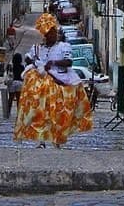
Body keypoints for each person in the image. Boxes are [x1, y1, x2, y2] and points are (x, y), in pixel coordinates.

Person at [13, 13, 93, 148]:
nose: (51, 35)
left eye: (53, 33)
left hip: (59, 83)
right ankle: (41, 140)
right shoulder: (38, 48)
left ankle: (57, 139)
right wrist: (34, 61)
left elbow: (68, 62)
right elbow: (28, 58)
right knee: (40, 113)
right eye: (48, 33)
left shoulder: (63, 47)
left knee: (58, 114)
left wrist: (53, 63)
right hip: (41, 87)